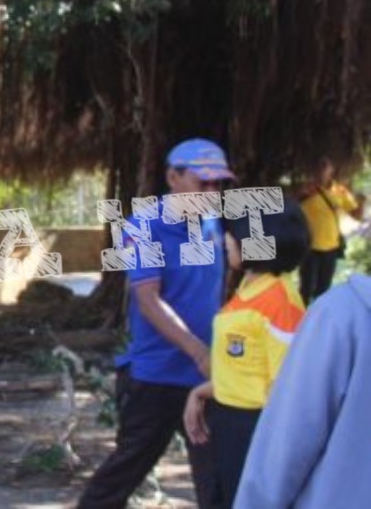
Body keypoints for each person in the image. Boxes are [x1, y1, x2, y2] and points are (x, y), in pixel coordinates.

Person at [77, 138, 234, 509]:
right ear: (173, 178)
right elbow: (148, 300)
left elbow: (218, 289)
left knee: (216, 478)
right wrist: (198, 351)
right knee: (126, 471)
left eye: (218, 184)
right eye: (203, 182)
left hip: (206, 378)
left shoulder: (214, 224)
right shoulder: (143, 227)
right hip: (156, 377)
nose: (212, 192)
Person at [182, 199, 309, 507]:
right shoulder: (248, 289)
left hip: (255, 428)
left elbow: (286, 384)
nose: (226, 239)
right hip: (228, 419)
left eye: (235, 233)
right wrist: (203, 392)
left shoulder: (280, 302)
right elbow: (247, 368)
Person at [232, 272, 371, 508]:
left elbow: (289, 438)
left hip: (258, 409)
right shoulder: (246, 290)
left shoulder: (333, 312)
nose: (226, 243)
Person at [297, 157, 365, 303]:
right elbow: (291, 203)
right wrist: (303, 194)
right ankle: (300, 321)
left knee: (324, 290)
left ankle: (320, 321)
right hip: (310, 247)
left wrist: (361, 202)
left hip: (331, 248)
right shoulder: (306, 189)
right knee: (306, 288)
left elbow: (356, 215)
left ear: (331, 171)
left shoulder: (339, 190)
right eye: (319, 167)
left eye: (325, 167)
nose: (322, 171)